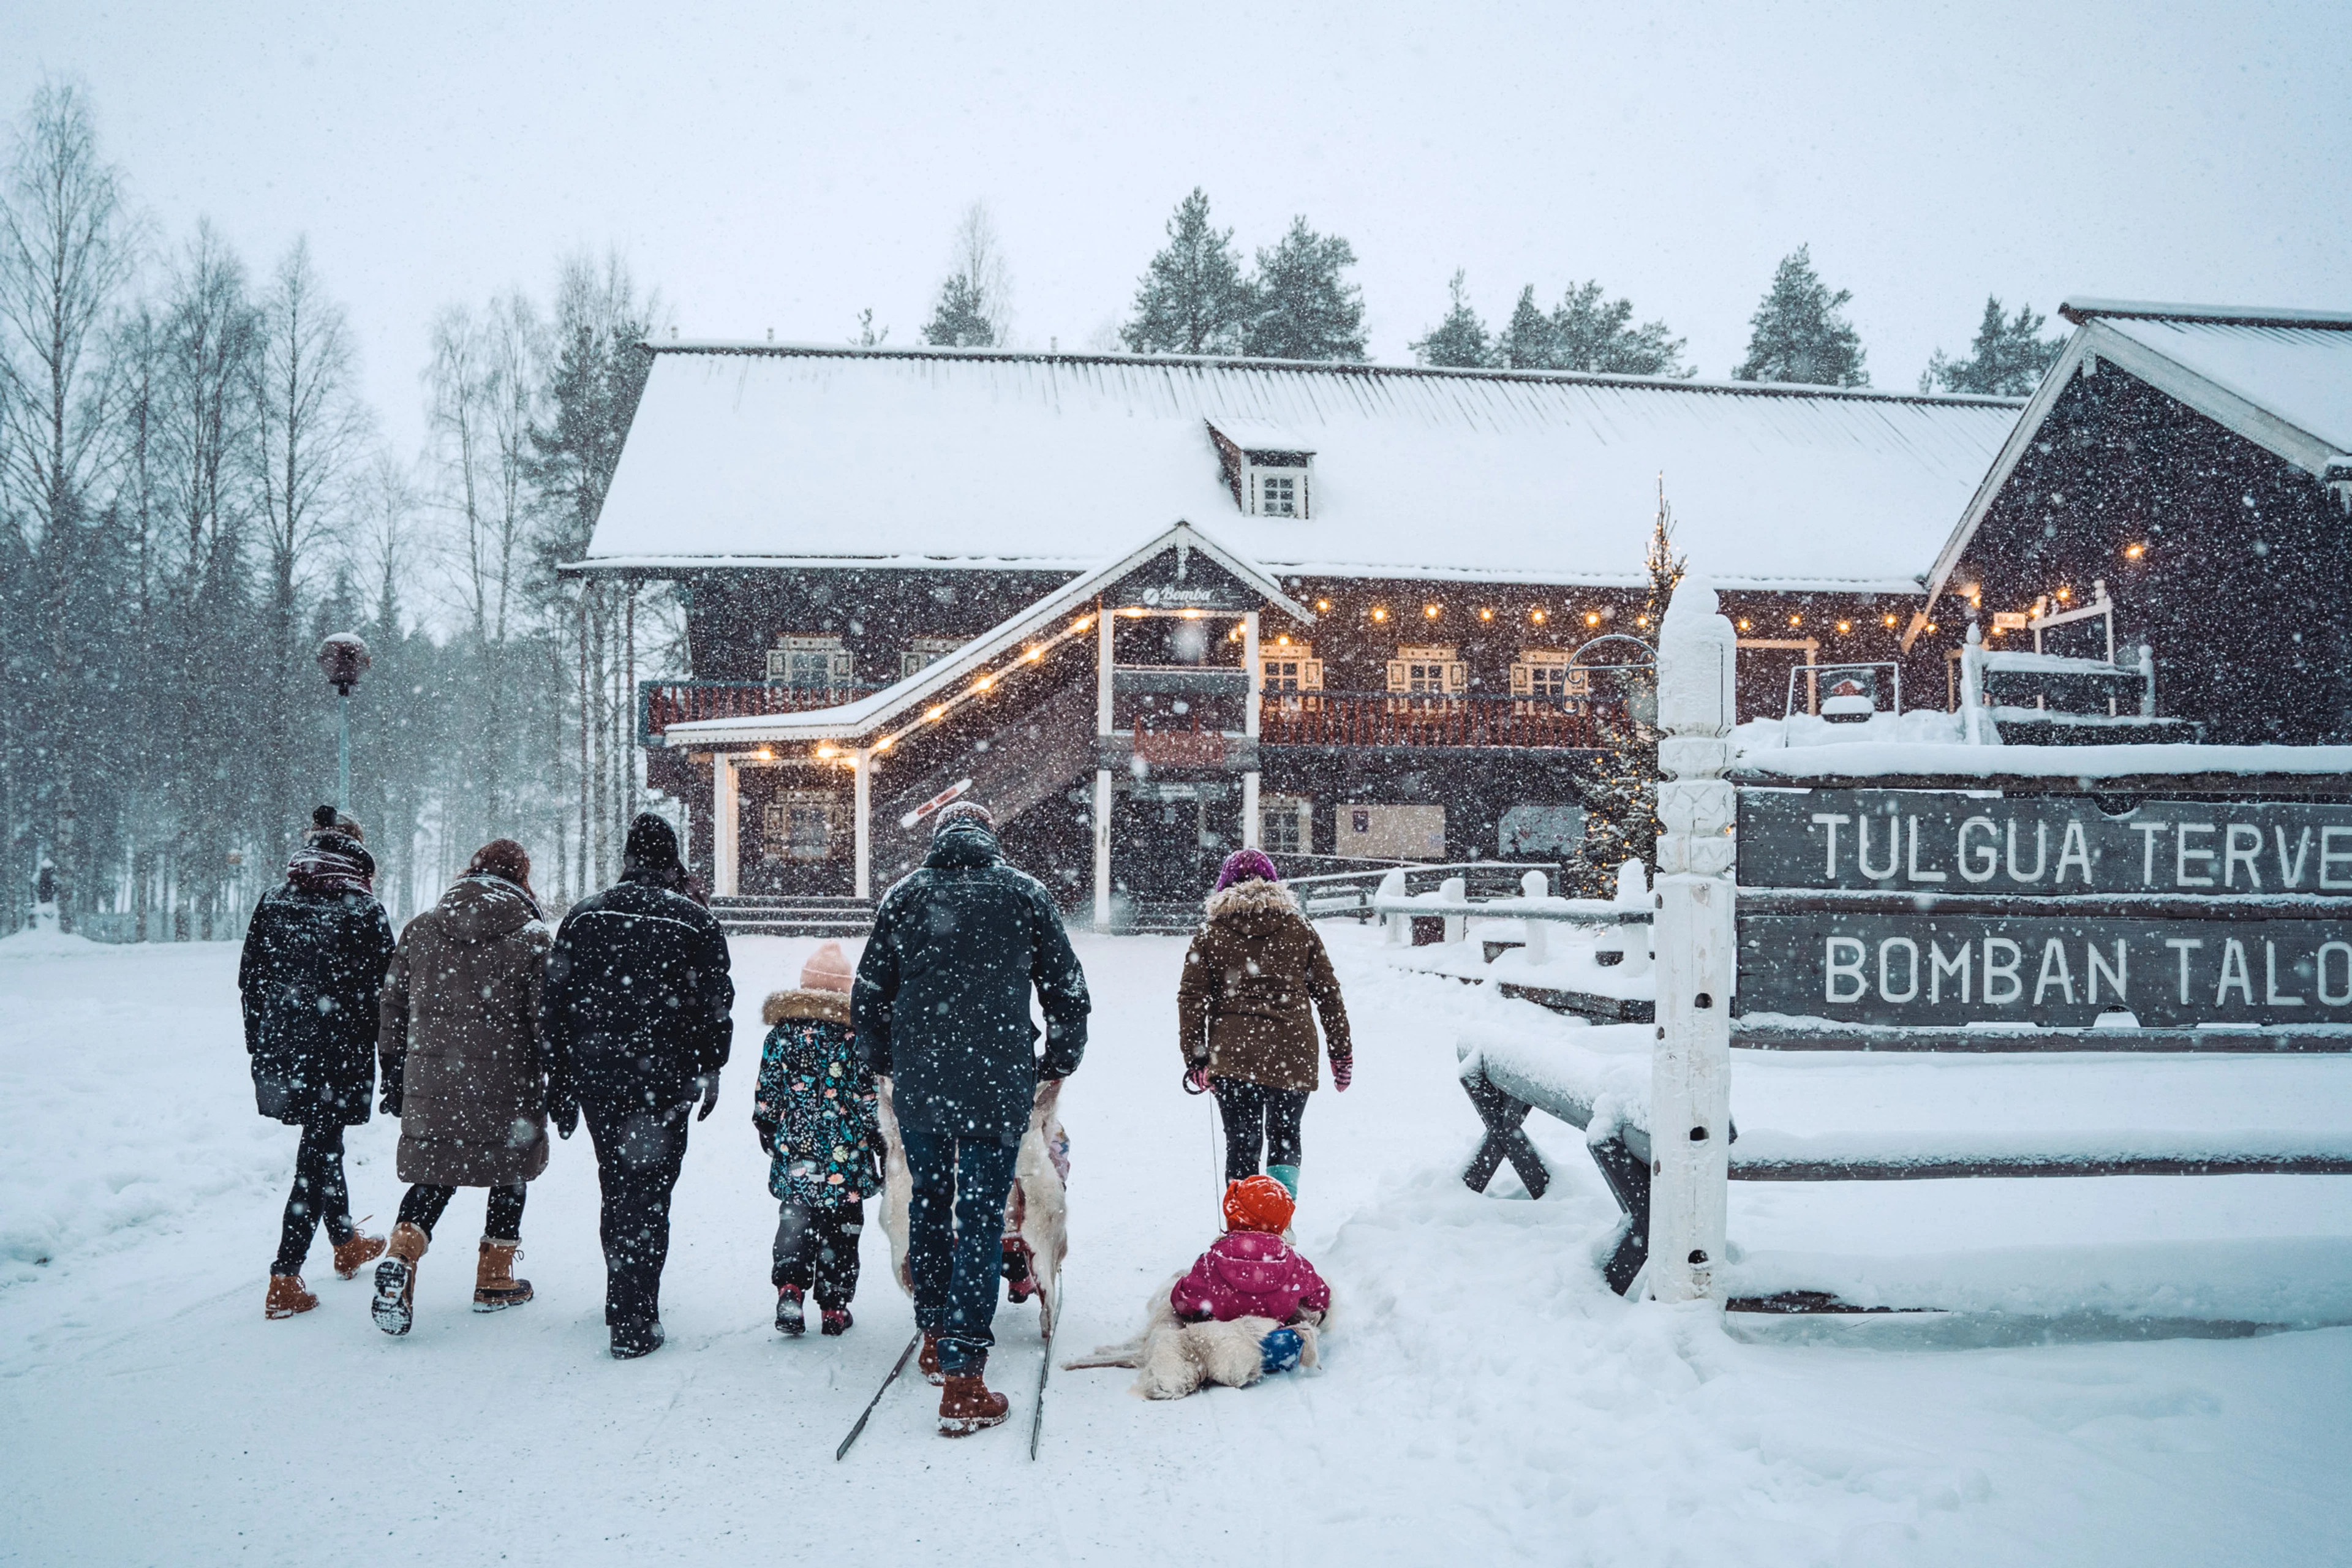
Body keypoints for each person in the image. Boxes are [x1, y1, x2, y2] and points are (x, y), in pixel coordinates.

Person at [853, 800, 1088, 1437]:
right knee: (981, 1216)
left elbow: (869, 993)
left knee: (929, 1200)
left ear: (938, 840)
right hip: (996, 1081)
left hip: (923, 1082)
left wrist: (882, 1062)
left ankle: (933, 1330)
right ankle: (964, 1376)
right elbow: (1067, 987)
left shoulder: (904, 899)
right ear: (989, 839)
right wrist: (1058, 1060)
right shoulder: (1024, 895)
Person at [543, 813, 734, 1359]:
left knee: (616, 1183)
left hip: (599, 1076)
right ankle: (635, 1313)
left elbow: (555, 1006)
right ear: (671, 860)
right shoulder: (693, 922)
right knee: (649, 1192)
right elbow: (717, 1005)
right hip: (664, 1079)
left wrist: (561, 1081)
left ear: (627, 859)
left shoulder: (584, 918)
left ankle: (620, 1294)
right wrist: (710, 1067)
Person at [370, 840, 554, 1336]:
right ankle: (495, 1276)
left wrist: (392, 1071)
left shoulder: (422, 929)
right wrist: (556, 1072)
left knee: (435, 1169)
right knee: (510, 1167)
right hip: (507, 1077)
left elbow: (392, 1006)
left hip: (433, 1078)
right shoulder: (532, 937)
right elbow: (545, 1019)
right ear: (522, 878)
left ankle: (403, 1254)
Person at [239, 806, 397, 1319]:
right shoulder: (362, 908)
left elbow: (251, 979)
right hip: (339, 1050)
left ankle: (346, 1240)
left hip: (283, 1046)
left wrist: (259, 1042)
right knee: (318, 1149)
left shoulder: (274, 899)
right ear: (357, 852)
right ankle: (285, 1275)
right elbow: (388, 995)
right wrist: (391, 1059)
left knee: (323, 1141)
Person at [1177, 848, 1352, 1200]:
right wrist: (1341, 1053)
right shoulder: (1299, 928)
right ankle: (1280, 1219)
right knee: (1285, 1133)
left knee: (1241, 1141)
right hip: (1294, 1051)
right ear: (1273, 882)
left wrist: (1196, 1058)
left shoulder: (1211, 932)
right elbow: (1329, 994)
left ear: (1224, 884)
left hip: (1233, 1056)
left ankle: (1243, 1227)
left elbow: (1191, 998)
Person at [752, 941, 881, 1337]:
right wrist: (880, 1140)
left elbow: (768, 1090)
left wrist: (768, 1125)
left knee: (796, 1225)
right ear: (846, 991)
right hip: (848, 1158)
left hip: (798, 1155)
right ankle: (834, 1306)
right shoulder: (857, 1039)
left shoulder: (782, 1035)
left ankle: (790, 1290)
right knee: (842, 1233)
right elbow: (868, 1099)